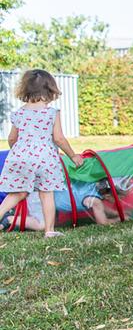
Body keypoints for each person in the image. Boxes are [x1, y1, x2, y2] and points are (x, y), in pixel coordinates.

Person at [0, 69, 84, 237]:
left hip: (20, 157)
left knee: (18, 193)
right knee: (46, 194)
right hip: (45, 159)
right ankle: (49, 231)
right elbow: (59, 139)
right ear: (50, 90)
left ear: (24, 89)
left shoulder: (19, 113)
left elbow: (11, 138)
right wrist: (73, 156)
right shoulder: (52, 113)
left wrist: (19, 152)